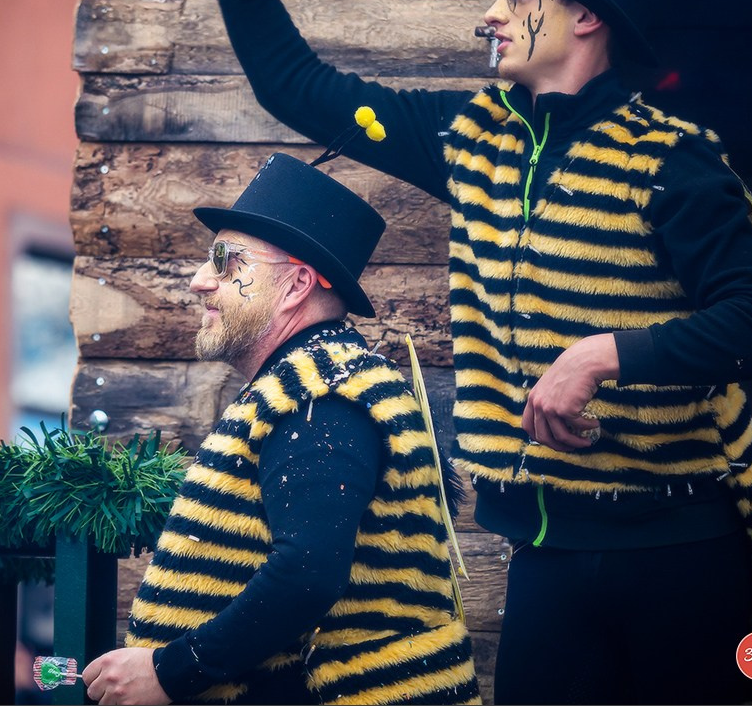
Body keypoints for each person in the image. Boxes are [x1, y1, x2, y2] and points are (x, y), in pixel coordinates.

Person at [207, 0, 752, 705]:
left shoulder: (671, 161)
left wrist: (600, 356)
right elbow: (292, 85)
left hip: (680, 553)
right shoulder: (468, 138)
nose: (491, 14)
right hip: (547, 561)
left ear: (585, 18)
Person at [81, 152, 480, 705]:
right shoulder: (312, 383)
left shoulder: (325, 394)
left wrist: (173, 672)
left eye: (225, 260)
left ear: (296, 286)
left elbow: (308, 573)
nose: (199, 281)